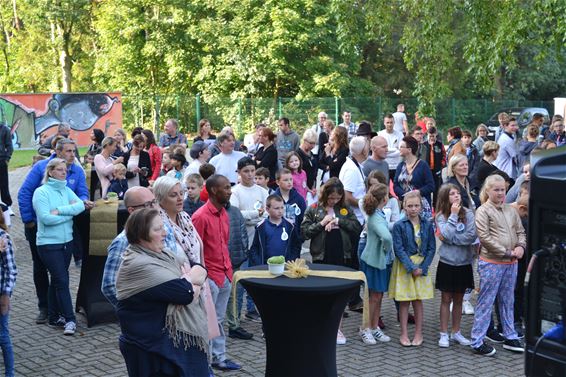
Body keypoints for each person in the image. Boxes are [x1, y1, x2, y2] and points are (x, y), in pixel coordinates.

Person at [115, 208, 209, 376]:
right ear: (141, 234)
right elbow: (185, 294)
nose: (165, 233)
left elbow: (200, 267)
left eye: (163, 227)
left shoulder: (163, 254)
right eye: (158, 229)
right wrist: (193, 283)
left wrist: (188, 280)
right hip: (149, 350)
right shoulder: (138, 264)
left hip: (168, 345)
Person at [18, 138, 93, 324]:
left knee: (59, 273)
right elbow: (24, 192)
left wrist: (81, 202)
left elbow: (82, 193)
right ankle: (44, 307)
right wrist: (29, 220)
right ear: (58, 152)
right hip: (39, 226)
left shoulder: (76, 170)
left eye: (74, 151)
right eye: (68, 151)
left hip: (64, 228)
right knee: (41, 268)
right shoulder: (42, 167)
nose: (72, 155)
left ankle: (55, 311)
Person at [301, 178, 362, 345]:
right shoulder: (314, 209)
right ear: (325, 194)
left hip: (342, 257)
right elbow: (305, 232)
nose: (334, 201)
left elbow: (357, 227)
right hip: (321, 257)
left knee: (339, 295)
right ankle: (320, 326)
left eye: (337, 197)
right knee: (321, 293)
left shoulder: (344, 209)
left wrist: (338, 221)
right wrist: (322, 223)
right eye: (331, 198)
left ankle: (337, 329)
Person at [471, 174, 526, 356]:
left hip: (511, 263)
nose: (501, 193)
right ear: (487, 191)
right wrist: (507, 251)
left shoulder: (511, 210)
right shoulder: (483, 211)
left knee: (507, 300)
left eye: (503, 189)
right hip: (492, 263)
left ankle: (510, 335)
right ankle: (477, 340)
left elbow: (520, 231)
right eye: (496, 190)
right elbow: (485, 238)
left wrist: (521, 246)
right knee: (486, 301)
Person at [192, 175, 242, 371]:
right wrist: (206, 277)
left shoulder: (224, 214)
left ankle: (218, 358)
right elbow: (194, 251)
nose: (230, 191)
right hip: (210, 277)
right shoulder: (200, 216)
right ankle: (205, 361)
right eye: (226, 188)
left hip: (225, 274)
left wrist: (227, 271)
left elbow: (224, 243)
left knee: (218, 320)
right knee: (208, 321)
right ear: (214, 190)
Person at [32, 158, 86, 335]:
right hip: (48, 244)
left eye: (65, 170)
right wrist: (69, 215)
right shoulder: (41, 192)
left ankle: (54, 316)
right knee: (62, 281)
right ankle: (70, 319)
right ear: (51, 172)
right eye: (60, 170)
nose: (64, 172)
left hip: (66, 242)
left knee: (57, 279)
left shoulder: (66, 189)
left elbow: (80, 206)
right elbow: (46, 218)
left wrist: (62, 211)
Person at [101, 186, 177, 307]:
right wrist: (135, 312)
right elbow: (109, 285)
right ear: (132, 210)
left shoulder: (165, 228)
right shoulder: (122, 241)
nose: (155, 208)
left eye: (154, 202)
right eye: (148, 204)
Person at [390, 191, 436, 347]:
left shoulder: (427, 224)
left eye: (416, 205)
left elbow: (431, 248)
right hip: (405, 266)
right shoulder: (398, 225)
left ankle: (418, 333)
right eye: (410, 206)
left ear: (421, 206)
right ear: (404, 206)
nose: (413, 209)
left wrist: (423, 267)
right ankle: (403, 333)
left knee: (417, 300)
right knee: (404, 301)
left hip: (421, 265)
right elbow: (398, 248)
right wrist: (411, 267)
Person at [435, 184, 476, 348]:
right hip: (447, 262)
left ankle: (456, 331)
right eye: (452, 194)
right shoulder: (441, 216)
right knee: (446, 299)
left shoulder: (469, 214)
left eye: (458, 193)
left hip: (464, 262)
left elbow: (471, 236)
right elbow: (444, 234)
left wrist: (451, 240)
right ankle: (443, 333)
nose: (457, 196)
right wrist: (452, 216)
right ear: (446, 198)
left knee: (459, 299)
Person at [358, 183, 393, 345]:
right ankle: (365, 328)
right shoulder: (376, 217)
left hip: (378, 261)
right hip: (374, 260)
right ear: (384, 199)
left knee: (378, 295)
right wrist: (387, 250)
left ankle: (374, 327)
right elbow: (386, 237)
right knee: (373, 296)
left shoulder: (377, 213)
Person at [224, 198, 254, 340]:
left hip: (235, 260)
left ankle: (234, 325)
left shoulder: (235, 212)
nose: (228, 192)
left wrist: (243, 254)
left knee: (234, 294)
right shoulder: (206, 213)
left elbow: (243, 235)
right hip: (217, 264)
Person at [248, 194, 302, 266]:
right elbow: (255, 248)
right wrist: (259, 264)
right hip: (266, 267)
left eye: (282, 208)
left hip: (285, 267)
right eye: (276, 208)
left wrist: (291, 261)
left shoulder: (290, 226)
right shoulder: (261, 226)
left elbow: (296, 246)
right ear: (267, 209)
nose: (280, 211)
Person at [393, 136, 435, 220]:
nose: (399, 149)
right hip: (406, 206)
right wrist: (404, 195)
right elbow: (395, 185)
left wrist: (418, 192)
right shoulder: (400, 166)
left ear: (409, 149)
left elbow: (431, 185)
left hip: (421, 206)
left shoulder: (423, 165)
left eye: (401, 147)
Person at [0, 214, 17, 377]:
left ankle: (10, 373)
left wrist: (6, 295)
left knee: (2, 336)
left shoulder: (3, 238)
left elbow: (11, 270)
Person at [339, 136, 369, 226]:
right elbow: (347, 197)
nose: (370, 149)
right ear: (363, 151)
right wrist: (366, 205)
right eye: (368, 147)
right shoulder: (351, 169)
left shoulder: (355, 166)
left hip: (357, 218)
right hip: (354, 220)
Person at [419, 126, 446, 204]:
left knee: (437, 190)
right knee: (426, 188)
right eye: (430, 136)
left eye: (433, 136)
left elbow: (444, 156)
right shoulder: (423, 145)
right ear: (427, 134)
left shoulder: (440, 145)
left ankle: (436, 206)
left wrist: (441, 165)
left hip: (437, 171)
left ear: (436, 134)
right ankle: (427, 205)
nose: (432, 138)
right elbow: (420, 157)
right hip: (426, 170)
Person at [377, 114, 404, 182]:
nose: (389, 124)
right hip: (383, 166)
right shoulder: (380, 134)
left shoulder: (400, 134)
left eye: (391, 122)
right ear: (384, 123)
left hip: (397, 166)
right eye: (387, 122)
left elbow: (401, 151)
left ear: (394, 122)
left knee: (398, 188)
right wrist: (395, 150)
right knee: (384, 188)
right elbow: (379, 151)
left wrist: (386, 151)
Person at [493, 117, 519, 182]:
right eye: (512, 125)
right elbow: (516, 157)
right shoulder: (506, 140)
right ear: (505, 126)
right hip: (506, 173)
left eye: (516, 125)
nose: (515, 127)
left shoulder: (507, 136)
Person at [296, 129, 318, 199]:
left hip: (312, 188)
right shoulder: (297, 154)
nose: (313, 146)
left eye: (314, 143)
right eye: (311, 143)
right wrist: (308, 189)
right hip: (301, 189)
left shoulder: (311, 154)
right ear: (304, 140)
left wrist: (313, 187)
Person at [0, 122, 13, 215]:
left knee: (4, 184)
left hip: (1, 160)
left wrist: (7, 158)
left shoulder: (4, 129)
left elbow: (9, 145)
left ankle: (8, 206)